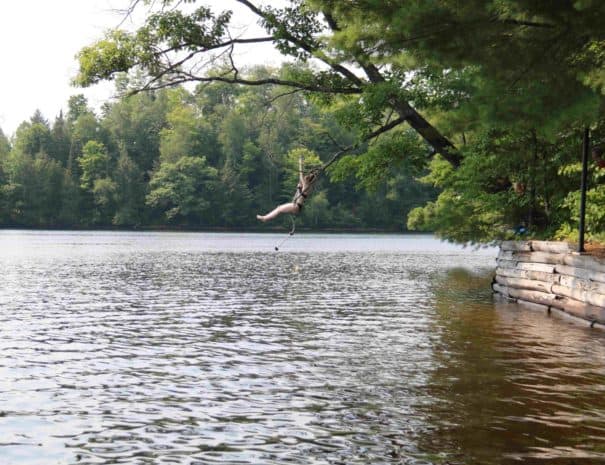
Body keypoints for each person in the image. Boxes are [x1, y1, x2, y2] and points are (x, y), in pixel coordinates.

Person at [257, 157, 318, 222]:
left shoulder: (307, 186)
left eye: (307, 177)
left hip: (296, 206)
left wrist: (300, 162)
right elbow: (302, 175)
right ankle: (265, 218)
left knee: (279, 208)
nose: (306, 176)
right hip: (296, 206)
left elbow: (302, 175)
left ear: (308, 179)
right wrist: (301, 163)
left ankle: (265, 218)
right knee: (279, 208)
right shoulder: (305, 184)